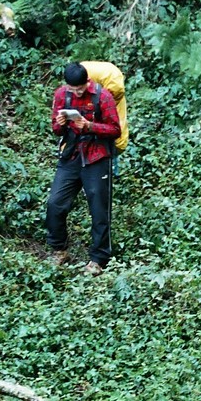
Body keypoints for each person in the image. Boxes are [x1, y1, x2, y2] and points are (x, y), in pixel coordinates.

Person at [45, 62, 121, 276]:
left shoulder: (102, 96)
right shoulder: (62, 94)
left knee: (99, 208)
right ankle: (59, 249)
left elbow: (115, 129)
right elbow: (56, 130)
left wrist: (89, 126)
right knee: (55, 203)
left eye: (80, 89)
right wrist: (60, 123)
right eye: (73, 89)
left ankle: (98, 259)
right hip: (72, 154)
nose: (76, 93)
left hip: (97, 155)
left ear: (87, 82)